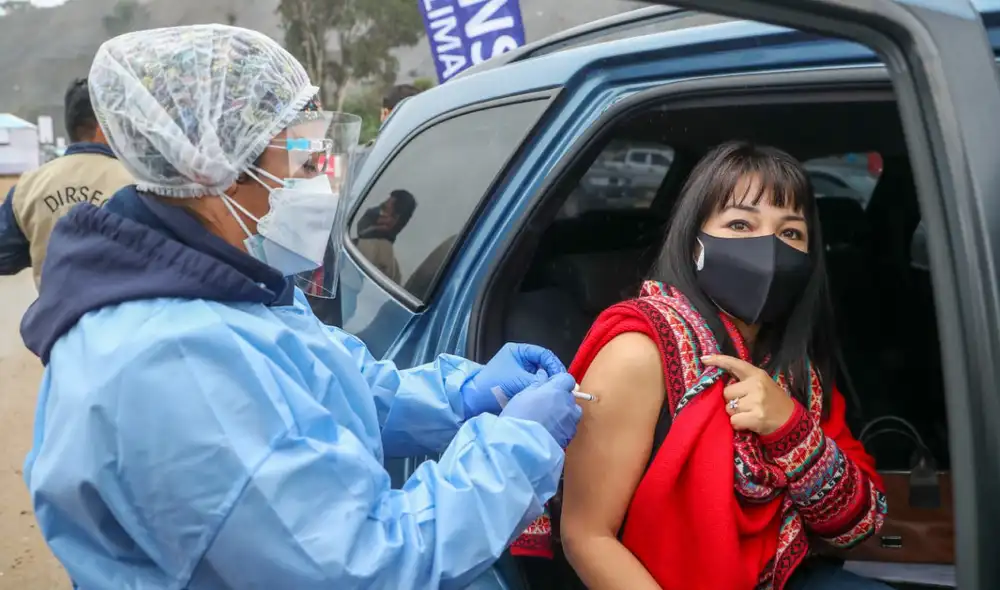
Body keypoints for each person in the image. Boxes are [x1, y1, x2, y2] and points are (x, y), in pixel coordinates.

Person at [19, 25, 582, 590]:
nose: (323, 190)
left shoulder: (225, 282)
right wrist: (516, 450)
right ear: (208, 170)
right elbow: (360, 569)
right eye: (307, 164)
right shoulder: (174, 361)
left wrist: (458, 396)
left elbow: (335, 392)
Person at [533, 142, 889, 589]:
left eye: (791, 233)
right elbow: (586, 537)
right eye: (740, 224)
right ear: (694, 241)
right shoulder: (640, 352)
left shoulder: (795, 372)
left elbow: (860, 526)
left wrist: (788, 428)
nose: (770, 248)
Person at [0, 78, 132, 288]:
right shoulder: (139, 183)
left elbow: (4, 256)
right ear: (102, 125)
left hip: (56, 316)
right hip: (126, 314)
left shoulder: (29, 187)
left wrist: (42, 243)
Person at [352, 188, 416, 282]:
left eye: (383, 208)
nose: (374, 211)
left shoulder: (371, 249)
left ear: (394, 220)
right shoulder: (394, 267)